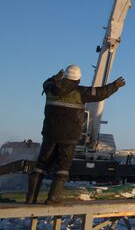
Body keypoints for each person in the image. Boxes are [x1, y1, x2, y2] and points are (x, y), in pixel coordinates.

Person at [25, 65, 126, 204]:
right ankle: (53, 198)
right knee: (62, 168)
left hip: (50, 134)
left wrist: (55, 77)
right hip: (69, 137)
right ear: (78, 79)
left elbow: (46, 82)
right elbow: (101, 93)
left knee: (41, 166)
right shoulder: (80, 92)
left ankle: (30, 198)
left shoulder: (50, 88)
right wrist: (115, 85)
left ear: (65, 76)